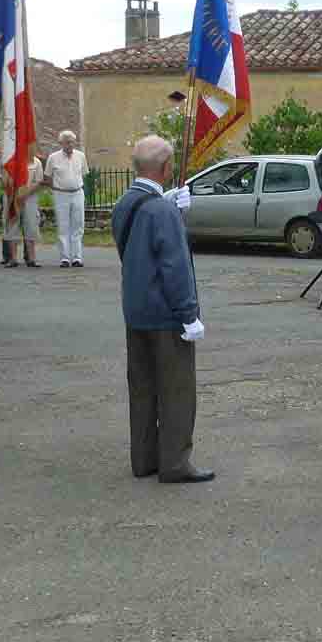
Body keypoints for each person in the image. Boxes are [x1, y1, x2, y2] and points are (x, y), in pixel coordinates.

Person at [111, 135, 210, 483]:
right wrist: (189, 314)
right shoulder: (163, 211)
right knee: (176, 391)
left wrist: (168, 207)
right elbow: (175, 267)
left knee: (142, 389)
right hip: (166, 316)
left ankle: (144, 459)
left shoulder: (125, 203)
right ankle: (175, 463)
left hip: (135, 310)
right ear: (167, 168)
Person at [45, 129, 88, 268]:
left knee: (78, 225)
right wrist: (57, 189)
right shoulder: (53, 158)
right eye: (67, 142)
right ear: (61, 143)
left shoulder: (81, 156)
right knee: (63, 226)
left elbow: (84, 174)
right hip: (60, 194)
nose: (70, 145)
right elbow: (47, 177)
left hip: (77, 193)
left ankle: (77, 258)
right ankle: (64, 258)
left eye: (72, 142)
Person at [0, 142, 42, 270]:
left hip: (30, 198)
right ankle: (13, 259)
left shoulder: (36, 162)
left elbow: (39, 181)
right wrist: (14, 193)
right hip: (11, 197)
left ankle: (32, 258)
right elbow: (2, 180)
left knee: (31, 225)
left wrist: (25, 193)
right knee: (12, 226)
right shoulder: (6, 161)